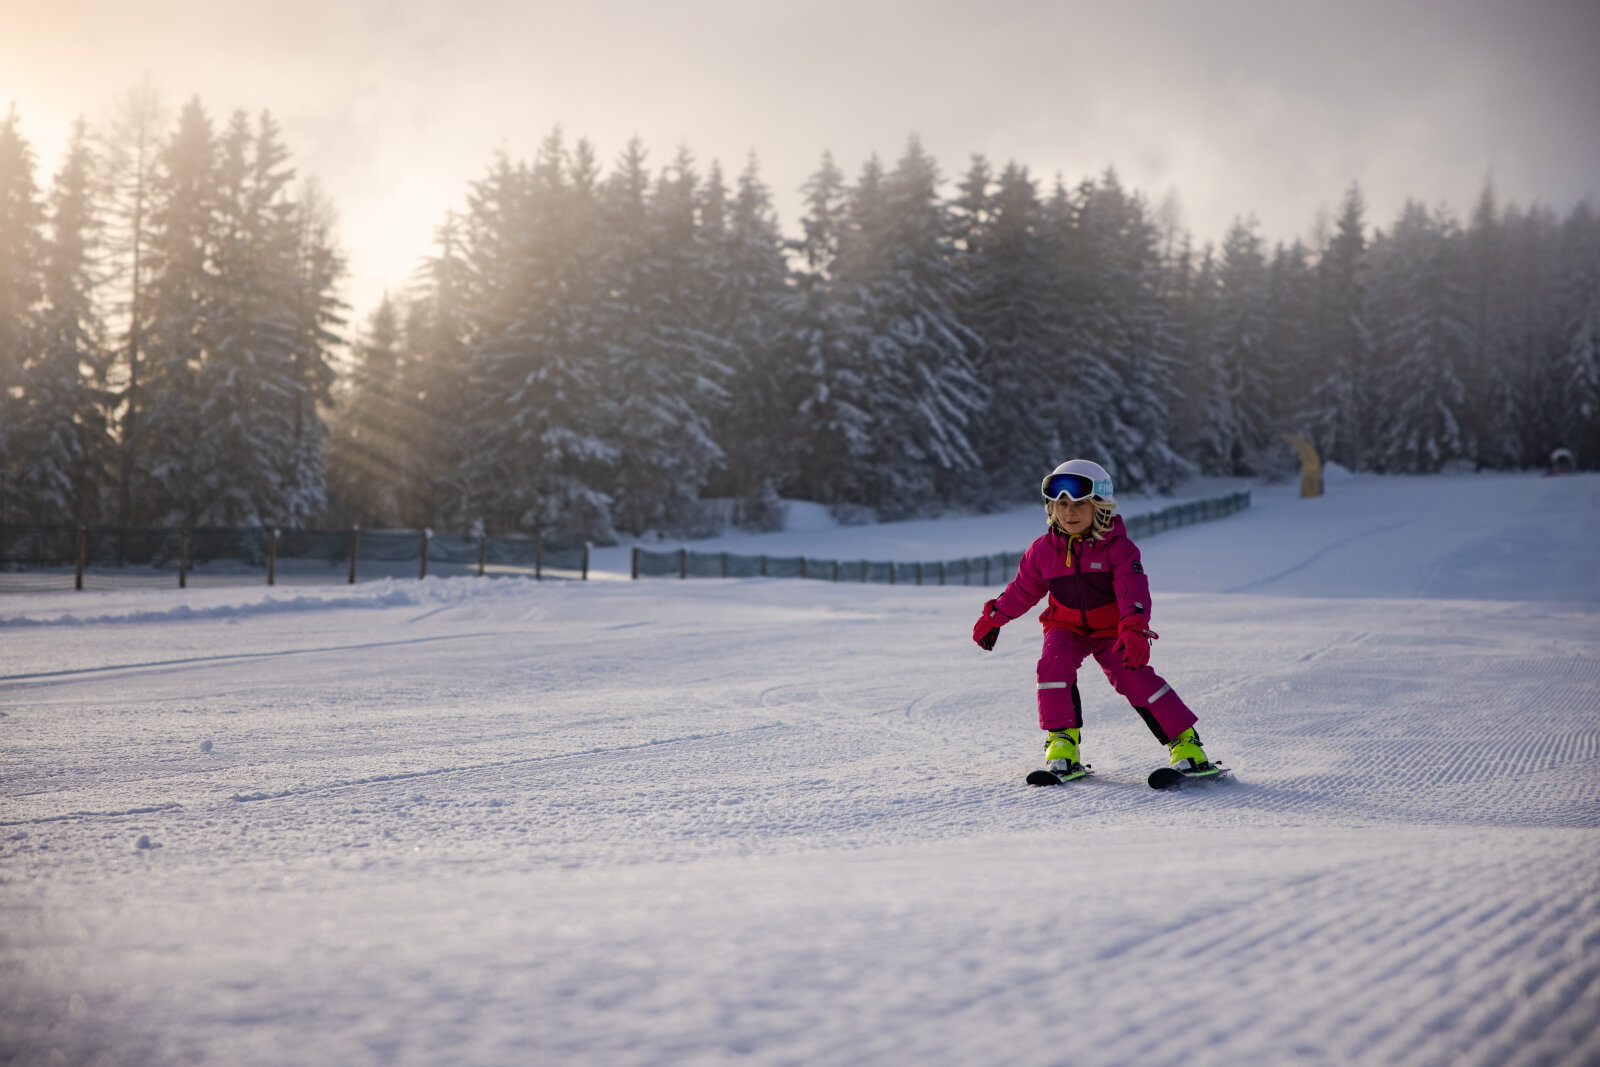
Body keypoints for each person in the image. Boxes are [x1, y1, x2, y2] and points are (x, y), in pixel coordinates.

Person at [971, 459, 1218, 779]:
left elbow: (1134, 591)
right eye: (1061, 504)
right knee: (1052, 664)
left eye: (1080, 505)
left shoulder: (1119, 549)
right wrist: (993, 618)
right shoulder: (1043, 551)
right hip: (1065, 625)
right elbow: (1022, 591)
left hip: (1112, 628)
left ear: (1100, 507)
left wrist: (1135, 628)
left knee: (1134, 678)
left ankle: (1185, 744)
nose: (1069, 512)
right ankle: (1062, 741)